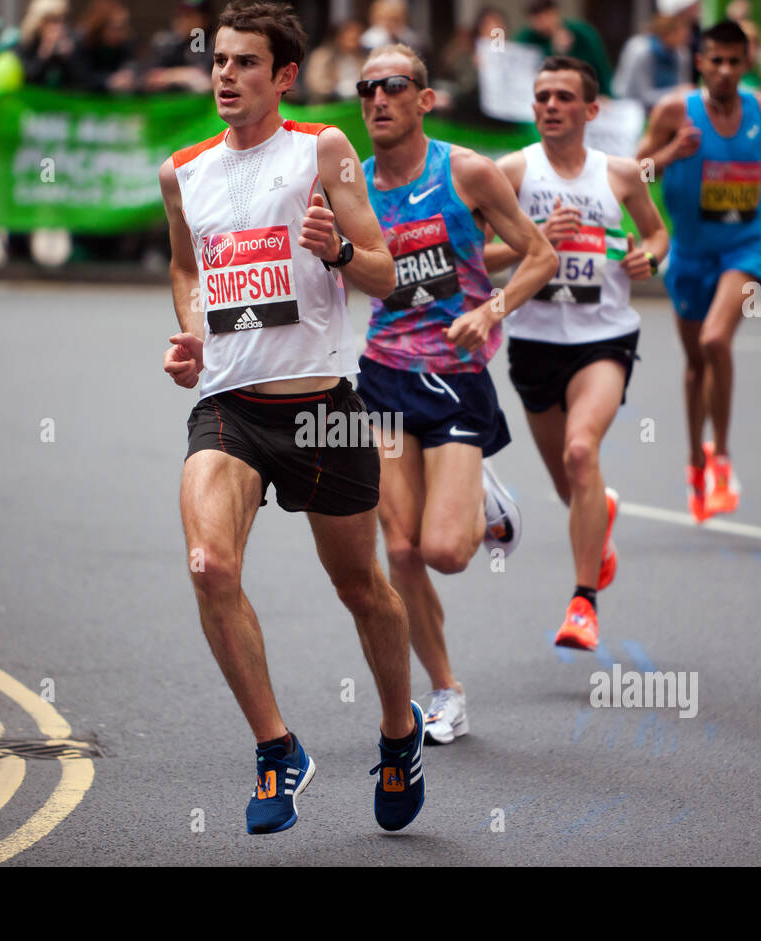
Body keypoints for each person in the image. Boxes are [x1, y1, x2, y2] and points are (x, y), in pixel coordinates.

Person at [159, 0, 426, 835]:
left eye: (244, 64)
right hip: (230, 409)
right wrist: (196, 334)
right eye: (218, 62)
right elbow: (185, 268)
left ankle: (398, 731)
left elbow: (388, 275)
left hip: (323, 409)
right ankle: (278, 751)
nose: (225, 77)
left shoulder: (323, 150)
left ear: (283, 76)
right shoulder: (183, 171)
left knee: (362, 588)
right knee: (209, 565)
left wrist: (338, 252)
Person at [355, 45, 556, 742]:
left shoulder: (466, 170)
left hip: (455, 376)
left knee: (445, 552)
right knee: (401, 551)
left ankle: (483, 501)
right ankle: (446, 691)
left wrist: (489, 310)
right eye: (366, 89)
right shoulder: (352, 187)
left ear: (425, 99)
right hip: (381, 374)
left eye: (393, 86)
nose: (377, 99)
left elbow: (538, 254)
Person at [484, 56, 667, 650]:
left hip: (604, 337)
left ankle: (583, 603)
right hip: (534, 344)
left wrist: (651, 257)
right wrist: (532, 247)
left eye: (563, 97)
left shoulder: (619, 175)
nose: (550, 107)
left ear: (591, 110)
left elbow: (657, 233)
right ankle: (599, 521)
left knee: (582, 452)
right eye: (542, 97)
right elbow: (474, 255)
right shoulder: (511, 173)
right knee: (572, 486)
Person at [636, 20, 761, 523]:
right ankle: (694, 459)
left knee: (715, 342)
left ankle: (721, 458)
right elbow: (632, 174)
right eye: (715, 60)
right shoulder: (672, 112)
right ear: (700, 62)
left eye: (734, 61)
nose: (725, 70)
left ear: (746, 64)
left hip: (744, 250)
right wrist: (669, 154)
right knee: (695, 366)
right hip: (688, 254)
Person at [515, 0, 612, 97]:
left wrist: (605, 94)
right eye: (537, 18)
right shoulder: (527, 38)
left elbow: (600, 68)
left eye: (547, 15)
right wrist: (554, 51)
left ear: (556, 13)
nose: (543, 22)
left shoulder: (582, 34)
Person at [613, 14, 692, 113]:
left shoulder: (682, 54)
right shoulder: (640, 50)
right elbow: (643, 96)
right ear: (668, 33)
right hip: (631, 109)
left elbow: (683, 89)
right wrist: (675, 92)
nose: (688, 35)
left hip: (666, 107)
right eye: (683, 30)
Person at [143, 0, 213, 94]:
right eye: (179, 16)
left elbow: (205, 79)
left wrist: (171, 75)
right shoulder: (167, 44)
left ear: (204, 19)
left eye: (189, 16)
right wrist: (184, 75)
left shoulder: (213, 43)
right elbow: (152, 77)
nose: (183, 21)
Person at [71, 0, 137, 93]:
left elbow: (131, 65)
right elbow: (80, 77)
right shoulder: (84, 43)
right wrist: (109, 80)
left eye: (124, 27)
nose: (121, 33)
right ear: (102, 27)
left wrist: (129, 74)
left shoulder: (125, 44)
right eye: (117, 28)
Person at [303, 18, 364, 103]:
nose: (354, 42)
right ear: (339, 37)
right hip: (329, 104)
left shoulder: (365, 57)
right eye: (350, 38)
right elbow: (315, 83)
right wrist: (336, 90)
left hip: (356, 104)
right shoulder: (323, 56)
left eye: (357, 37)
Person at [19, 0, 76, 88]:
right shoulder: (26, 44)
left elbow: (79, 81)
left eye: (62, 19)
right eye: (54, 20)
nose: (59, 26)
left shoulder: (68, 40)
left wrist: (68, 58)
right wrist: (45, 51)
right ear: (40, 21)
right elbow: (28, 78)